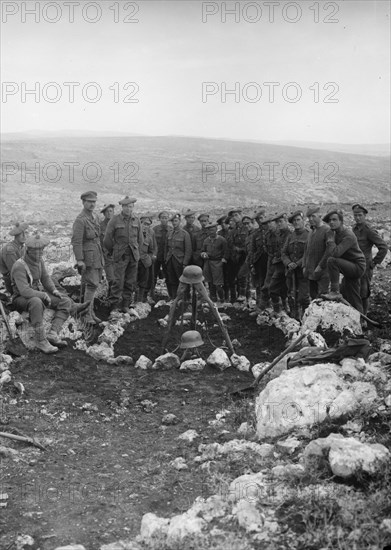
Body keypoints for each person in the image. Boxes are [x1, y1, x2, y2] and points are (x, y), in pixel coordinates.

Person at [11, 233, 84, 353]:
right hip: (20, 298)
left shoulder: (39, 261)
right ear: (29, 250)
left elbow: (45, 278)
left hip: (35, 293)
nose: (41, 253)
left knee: (64, 301)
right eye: (38, 251)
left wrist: (54, 291)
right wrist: (43, 295)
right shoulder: (19, 266)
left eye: (42, 250)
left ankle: (53, 333)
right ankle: (41, 341)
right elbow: (24, 291)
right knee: (36, 302)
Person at [322, 210, 366, 313]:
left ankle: (334, 291)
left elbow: (335, 254)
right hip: (348, 265)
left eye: (334, 220)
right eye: (329, 220)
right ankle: (361, 321)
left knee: (332, 261)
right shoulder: (335, 233)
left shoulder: (348, 235)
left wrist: (331, 240)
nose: (331, 222)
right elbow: (329, 251)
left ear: (341, 221)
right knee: (351, 294)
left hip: (357, 266)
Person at [103, 196, 142, 313]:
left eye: (131, 207)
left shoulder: (137, 220)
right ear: (122, 207)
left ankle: (125, 305)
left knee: (130, 282)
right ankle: (114, 306)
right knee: (118, 282)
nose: (129, 209)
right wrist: (114, 251)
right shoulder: (115, 220)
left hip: (133, 256)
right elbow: (107, 240)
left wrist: (136, 251)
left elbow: (140, 239)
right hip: (120, 256)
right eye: (126, 207)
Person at [71, 191, 105, 324]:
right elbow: (76, 241)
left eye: (94, 202)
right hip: (88, 258)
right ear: (83, 202)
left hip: (97, 255)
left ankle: (91, 312)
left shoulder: (94, 217)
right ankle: (85, 315)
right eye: (89, 201)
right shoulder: (80, 220)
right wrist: (79, 260)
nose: (92, 204)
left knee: (94, 285)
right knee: (91, 285)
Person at [352, 203, 388, 314]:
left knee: (364, 293)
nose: (357, 217)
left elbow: (383, 247)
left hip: (365, 267)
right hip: (354, 266)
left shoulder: (369, 230)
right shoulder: (354, 229)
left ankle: (364, 317)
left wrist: (374, 262)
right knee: (354, 291)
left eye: (360, 215)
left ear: (365, 215)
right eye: (355, 215)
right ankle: (357, 315)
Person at [281, 211, 310, 318]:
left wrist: (297, 264)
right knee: (291, 295)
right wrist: (288, 263)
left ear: (303, 221)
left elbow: (309, 254)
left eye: (298, 220)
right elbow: (283, 253)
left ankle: (306, 318)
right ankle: (294, 317)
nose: (296, 222)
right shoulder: (290, 236)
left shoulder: (309, 234)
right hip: (290, 272)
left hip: (303, 272)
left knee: (304, 297)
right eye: (294, 221)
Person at [303, 206, 330, 299]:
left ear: (320, 216)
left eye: (313, 216)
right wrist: (304, 265)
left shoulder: (327, 230)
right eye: (309, 217)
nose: (310, 219)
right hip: (311, 272)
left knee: (322, 297)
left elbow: (329, 251)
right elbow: (306, 250)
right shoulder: (311, 232)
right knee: (313, 296)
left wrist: (320, 266)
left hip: (323, 272)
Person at [268, 213, 292, 314]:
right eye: (277, 222)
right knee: (273, 288)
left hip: (288, 266)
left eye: (281, 221)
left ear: (286, 221)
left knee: (288, 290)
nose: (279, 224)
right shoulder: (278, 235)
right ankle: (277, 311)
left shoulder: (291, 234)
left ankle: (289, 310)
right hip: (278, 265)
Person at [165, 213, 192, 299]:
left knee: (183, 280)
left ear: (180, 221)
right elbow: (166, 248)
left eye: (176, 221)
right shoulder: (169, 233)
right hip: (170, 260)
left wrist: (185, 263)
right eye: (172, 221)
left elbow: (188, 250)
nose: (174, 223)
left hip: (180, 261)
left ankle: (185, 298)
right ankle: (174, 297)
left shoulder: (185, 234)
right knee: (171, 280)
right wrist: (166, 259)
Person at [201, 222, 229, 303]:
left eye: (213, 230)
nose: (211, 232)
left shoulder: (222, 240)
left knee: (218, 284)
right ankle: (213, 300)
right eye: (209, 231)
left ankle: (222, 300)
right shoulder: (206, 240)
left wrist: (224, 259)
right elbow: (202, 251)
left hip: (217, 263)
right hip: (208, 263)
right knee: (210, 282)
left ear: (216, 230)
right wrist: (203, 254)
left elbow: (226, 251)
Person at [226, 208, 248, 302]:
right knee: (235, 278)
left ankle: (245, 298)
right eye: (233, 216)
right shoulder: (233, 230)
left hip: (245, 256)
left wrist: (241, 249)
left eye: (236, 215)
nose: (235, 218)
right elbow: (230, 244)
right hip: (235, 257)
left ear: (241, 215)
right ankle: (237, 299)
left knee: (243, 277)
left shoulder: (246, 227)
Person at [0, 222, 29, 295]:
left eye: (25, 233)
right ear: (16, 236)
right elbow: (14, 270)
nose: (24, 236)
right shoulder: (9, 250)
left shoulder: (21, 247)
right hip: (12, 282)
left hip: (21, 278)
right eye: (21, 234)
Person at [249, 210, 269, 308]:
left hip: (270, 261)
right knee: (259, 283)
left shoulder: (272, 230)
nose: (260, 221)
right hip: (259, 261)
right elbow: (252, 250)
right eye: (258, 219)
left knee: (270, 283)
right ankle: (260, 305)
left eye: (261, 218)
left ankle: (271, 305)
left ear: (266, 216)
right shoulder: (256, 233)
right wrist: (252, 264)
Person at [137, 214, 157, 302]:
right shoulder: (135, 231)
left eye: (148, 224)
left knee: (144, 282)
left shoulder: (151, 233)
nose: (146, 226)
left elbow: (153, 248)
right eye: (144, 224)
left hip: (145, 260)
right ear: (140, 223)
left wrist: (150, 257)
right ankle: (131, 301)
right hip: (134, 260)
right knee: (132, 281)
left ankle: (141, 300)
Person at [99, 204, 115, 297]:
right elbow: (99, 242)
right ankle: (110, 298)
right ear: (104, 214)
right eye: (107, 211)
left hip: (118, 256)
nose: (109, 213)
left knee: (119, 280)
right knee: (111, 279)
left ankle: (115, 298)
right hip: (107, 257)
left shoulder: (118, 225)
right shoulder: (100, 226)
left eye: (110, 211)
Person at [152, 211, 169, 294]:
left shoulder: (171, 230)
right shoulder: (155, 229)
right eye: (162, 217)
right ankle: (151, 294)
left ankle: (171, 295)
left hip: (166, 258)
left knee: (169, 277)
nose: (164, 219)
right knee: (153, 276)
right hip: (156, 257)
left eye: (166, 218)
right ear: (159, 219)